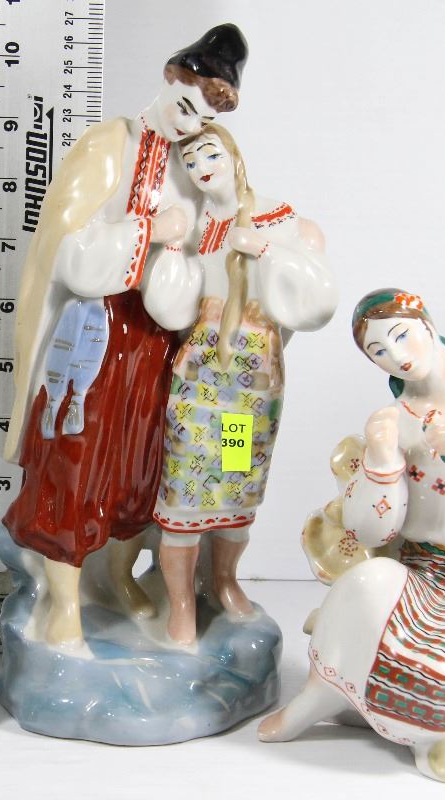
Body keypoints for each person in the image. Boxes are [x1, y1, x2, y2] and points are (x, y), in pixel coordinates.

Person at [3, 24, 249, 648]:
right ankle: (64, 601)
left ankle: (116, 575)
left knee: (141, 466)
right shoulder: (107, 144)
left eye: (204, 118)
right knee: (75, 461)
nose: (190, 124)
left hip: (154, 345)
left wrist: (179, 257)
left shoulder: (194, 166)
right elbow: (68, 250)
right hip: (92, 334)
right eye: (186, 103)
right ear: (170, 78)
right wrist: (146, 233)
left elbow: (195, 271)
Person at [257, 291, 445, 783]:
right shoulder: (395, 421)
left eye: (401, 336)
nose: (396, 355)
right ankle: (319, 697)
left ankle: (427, 733)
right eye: (378, 351)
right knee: (366, 584)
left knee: (441, 669)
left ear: (428, 326)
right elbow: (370, 529)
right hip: (415, 571)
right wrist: (381, 460)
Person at [141, 124, 336, 644]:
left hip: (246, 389)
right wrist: (172, 246)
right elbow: (171, 309)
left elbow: (315, 300)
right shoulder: (196, 224)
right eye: (190, 161)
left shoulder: (280, 220)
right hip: (200, 377)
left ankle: (223, 581)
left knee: (232, 481)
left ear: (233, 155)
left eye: (210, 154)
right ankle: (182, 602)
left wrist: (265, 249)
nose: (202, 167)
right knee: (185, 484)